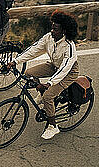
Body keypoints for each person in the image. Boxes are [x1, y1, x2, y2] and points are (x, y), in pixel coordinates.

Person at [7, 10, 79, 140]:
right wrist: (15, 61)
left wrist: (49, 83)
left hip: (68, 72)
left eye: (55, 29)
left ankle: (53, 126)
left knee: (48, 96)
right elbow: (33, 50)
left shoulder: (69, 46)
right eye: (52, 27)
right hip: (54, 65)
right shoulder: (48, 38)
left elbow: (65, 68)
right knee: (28, 73)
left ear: (64, 31)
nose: (52, 31)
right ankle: (41, 95)